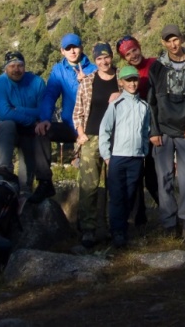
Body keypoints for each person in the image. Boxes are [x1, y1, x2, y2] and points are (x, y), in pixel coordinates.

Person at [148, 24, 185, 244]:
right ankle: (169, 222)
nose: (173, 44)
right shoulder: (157, 67)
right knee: (163, 178)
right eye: (168, 40)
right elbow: (151, 101)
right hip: (163, 131)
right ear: (163, 43)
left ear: (182, 39)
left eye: (176, 39)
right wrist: (153, 130)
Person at [0, 51, 55, 203]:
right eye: (12, 66)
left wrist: (18, 109)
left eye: (20, 65)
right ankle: (3, 173)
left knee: (25, 179)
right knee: (6, 125)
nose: (16, 69)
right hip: (13, 128)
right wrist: (30, 119)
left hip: (31, 130)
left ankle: (25, 191)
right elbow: (4, 113)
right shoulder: (0, 83)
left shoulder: (37, 82)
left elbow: (43, 111)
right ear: (5, 68)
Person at [99, 64, 152, 249]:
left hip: (136, 158)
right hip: (117, 157)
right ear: (121, 83)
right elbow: (105, 130)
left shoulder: (144, 106)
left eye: (135, 79)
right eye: (128, 80)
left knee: (130, 194)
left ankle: (123, 227)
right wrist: (106, 155)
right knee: (116, 195)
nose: (132, 83)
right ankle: (117, 232)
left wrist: (144, 151)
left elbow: (146, 130)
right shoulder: (116, 104)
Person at [72, 42, 119, 248]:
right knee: (89, 185)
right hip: (91, 137)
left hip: (117, 139)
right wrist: (80, 134)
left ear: (112, 57)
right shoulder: (88, 81)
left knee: (115, 186)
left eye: (106, 57)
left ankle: (113, 227)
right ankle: (88, 229)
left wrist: (122, 95)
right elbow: (78, 111)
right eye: (99, 59)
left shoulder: (122, 79)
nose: (103, 62)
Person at [116, 35, 159, 220]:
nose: (133, 54)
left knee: (152, 177)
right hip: (134, 130)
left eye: (134, 49)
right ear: (124, 58)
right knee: (135, 176)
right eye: (128, 53)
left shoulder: (155, 64)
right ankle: (139, 219)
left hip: (155, 127)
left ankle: (171, 215)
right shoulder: (127, 73)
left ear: (139, 47)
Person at [38, 33, 97, 168]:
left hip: (90, 126)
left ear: (81, 48)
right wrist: (45, 119)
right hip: (69, 125)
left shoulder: (94, 69)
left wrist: (87, 82)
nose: (72, 51)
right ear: (62, 51)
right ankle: (44, 181)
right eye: (68, 48)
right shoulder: (59, 70)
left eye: (75, 47)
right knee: (41, 132)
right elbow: (50, 95)